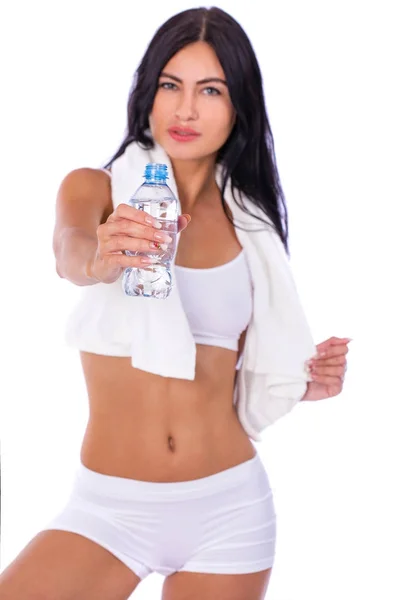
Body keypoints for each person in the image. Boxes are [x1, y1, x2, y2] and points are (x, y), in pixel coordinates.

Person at [0, 6, 351, 600]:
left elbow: (232, 357)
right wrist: (101, 258)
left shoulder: (250, 222)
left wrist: (297, 376)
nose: (186, 110)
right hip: (108, 509)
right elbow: (69, 250)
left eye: (210, 90)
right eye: (171, 86)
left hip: (229, 509)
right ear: (149, 94)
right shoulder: (97, 188)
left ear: (238, 104)